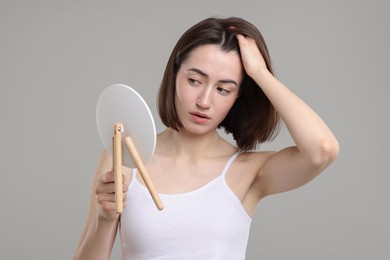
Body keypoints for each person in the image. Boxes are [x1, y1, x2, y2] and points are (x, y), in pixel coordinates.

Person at [73, 17, 339, 260]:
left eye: (223, 89)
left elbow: (322, 150)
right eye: (194, 81)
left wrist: (260, 72)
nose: (204, 101)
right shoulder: (123, 158)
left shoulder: (248, 171)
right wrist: (105, 218)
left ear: (238, 97)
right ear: (174, 75)